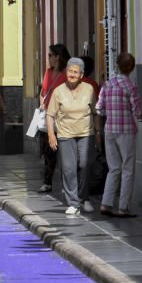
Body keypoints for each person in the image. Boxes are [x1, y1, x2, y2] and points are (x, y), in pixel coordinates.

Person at [46, 57, 97, 216]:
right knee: (68, 168)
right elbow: (50, 115)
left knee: (85, 164)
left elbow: (96, 112)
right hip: (65, 134)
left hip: (86, 133)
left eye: (75, 72)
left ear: (81, 75)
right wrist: (51, 135)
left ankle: (84, 197)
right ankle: (73, 203)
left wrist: (100, 133)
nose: (72, 75)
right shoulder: (58, 91)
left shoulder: (89, 89)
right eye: (70, 71)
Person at [96, 52, 142, 217]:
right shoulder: (130, 86)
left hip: (109, 130)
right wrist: (139, 116)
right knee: (127, 168)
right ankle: (123, 207)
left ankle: (106, 204)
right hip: (126, 131)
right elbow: (137, 110)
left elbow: (99, 108)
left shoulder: (107, 85)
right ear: (131, 67)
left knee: (113, 168)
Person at [39, 43, 71, 192]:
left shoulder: (67, 74)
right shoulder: (48, 72)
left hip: (63, 117)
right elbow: (43, 92)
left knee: (65, 152)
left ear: (57, 57)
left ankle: (67, 185)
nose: (49, 58)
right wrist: (43, 106)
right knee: (48, 151)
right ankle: (47, 182)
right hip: (49, 117)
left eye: (50, 55)